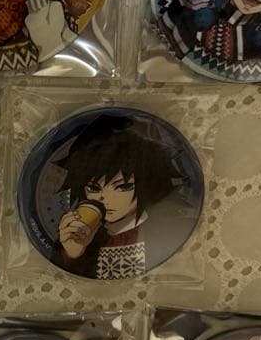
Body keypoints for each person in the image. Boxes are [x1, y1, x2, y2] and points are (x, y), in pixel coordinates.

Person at [52, 113, 186, 280]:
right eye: (94, 188)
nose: (104, 198)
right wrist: (72, 254)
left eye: (122, 187)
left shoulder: (168, 227)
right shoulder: (85, 234)